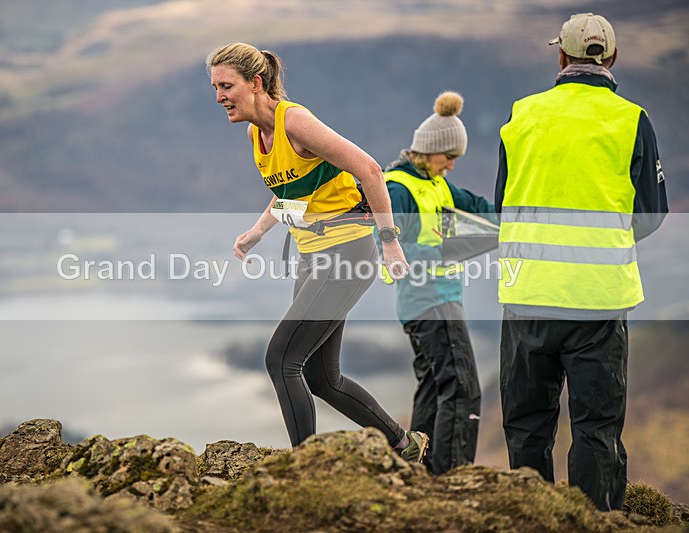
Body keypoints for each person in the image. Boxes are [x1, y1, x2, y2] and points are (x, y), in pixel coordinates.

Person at [207, 42, 426, 461]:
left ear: (255, 83)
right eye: (215, 87)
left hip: (347, 252)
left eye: (226, 86)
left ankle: (303, 470)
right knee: (320, 377)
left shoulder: (297, 122)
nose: (219, 96)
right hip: (313, 257)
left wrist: (390, 241)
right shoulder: (258, 133)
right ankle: (404, 444)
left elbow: (370, 170)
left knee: (281, 359)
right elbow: (293, 193)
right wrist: (257, 232)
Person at [494, 13, 668, 511]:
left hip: (527, 296)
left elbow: (505, 201)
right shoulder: (633, 120)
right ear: (611, 58)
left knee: (527, 427)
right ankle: (598, 524)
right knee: (596, 430)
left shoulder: (521, 115)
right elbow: (651, 214)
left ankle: (530, 521)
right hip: (599, 301)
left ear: (561, 56)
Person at [383, 92, 496, 475]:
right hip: (429, 301)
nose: (451, 166)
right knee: (463, 389)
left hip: (432, 302)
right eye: (448, 156)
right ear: (429, 151)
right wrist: (452, 250)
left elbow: (480, 207)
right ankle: (453, 477)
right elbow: (396, 249)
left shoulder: (436, 185)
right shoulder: (399, 189)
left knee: (434, 387)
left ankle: (422, 472)